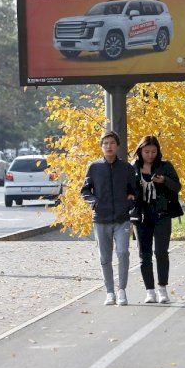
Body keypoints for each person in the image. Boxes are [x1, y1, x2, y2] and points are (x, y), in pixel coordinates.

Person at [81, 131, 137, 306]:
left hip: (122, 219)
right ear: (101, 146)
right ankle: (110, 292)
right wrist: (94, 201)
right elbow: (84, 190)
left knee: (123, 252)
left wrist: (130, 201)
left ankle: (122, 290)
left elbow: (134, 190)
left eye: (112, 143)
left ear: (117, 146)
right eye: (105, 143)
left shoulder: (126, 168)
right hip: (101, 219)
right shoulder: (94, 167)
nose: (109, 146)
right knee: (105, 258)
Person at [131, 135, 182, 304]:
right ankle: (150, 291)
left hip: (162, 215)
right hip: (141, 217)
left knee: (161, 252)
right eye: (146, 151)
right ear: (140, 151)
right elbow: (127, 188)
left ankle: (162, 289)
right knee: (144, 255)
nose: (150, 155)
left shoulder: (165, 166)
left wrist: (165, 180)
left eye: (153, 151)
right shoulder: (134, 167)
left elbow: (177, 187)